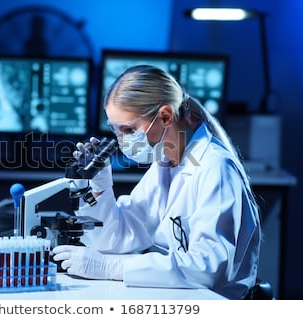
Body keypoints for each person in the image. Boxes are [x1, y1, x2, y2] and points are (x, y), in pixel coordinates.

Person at [52, 65, 261, 300]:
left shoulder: (215, 167)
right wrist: (101, 187)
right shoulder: (165, 163)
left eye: (129, 129)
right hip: (178, 295)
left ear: (165, 116)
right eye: (116, 131)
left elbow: (207, 267)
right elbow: (119, 239)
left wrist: (111, 268)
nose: (122, 140)